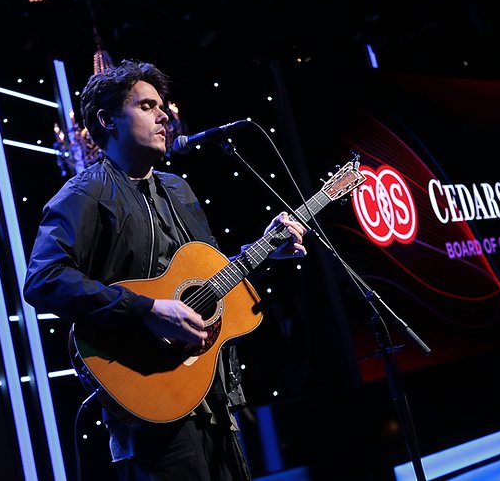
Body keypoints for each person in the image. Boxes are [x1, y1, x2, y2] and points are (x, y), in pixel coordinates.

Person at [23, 59, 308, 481]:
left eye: (163, 106)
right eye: (146, 106)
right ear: (108, 120)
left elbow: (211, 281)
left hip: (211, 394)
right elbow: (43, 280)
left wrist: (263, 253)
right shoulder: (85, 193)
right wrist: (148, 310)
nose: (163, 116)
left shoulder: (179, 188)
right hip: (148, 402)